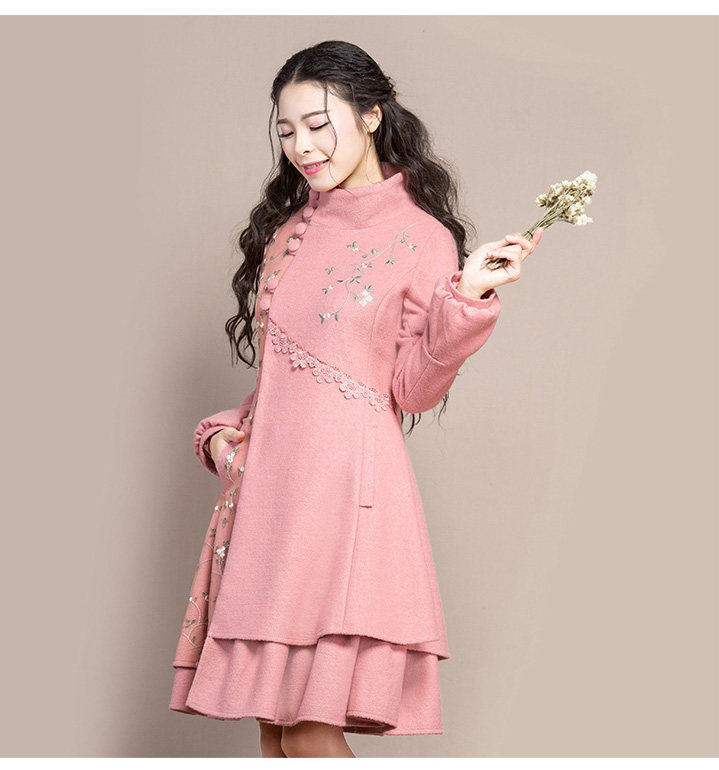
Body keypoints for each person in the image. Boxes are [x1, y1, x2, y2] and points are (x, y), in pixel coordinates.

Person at [169, 40, 543, 758]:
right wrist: (222, 436)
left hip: (346, 500)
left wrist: (466, 298)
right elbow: (286, 379)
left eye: (319, 124)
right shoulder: (287, 233)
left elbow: (411, 389)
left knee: (309, 732)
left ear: (371, 115)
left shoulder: (420, 236)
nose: (302, 147)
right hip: (271, 501)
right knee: (275, 732)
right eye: (287, 131)